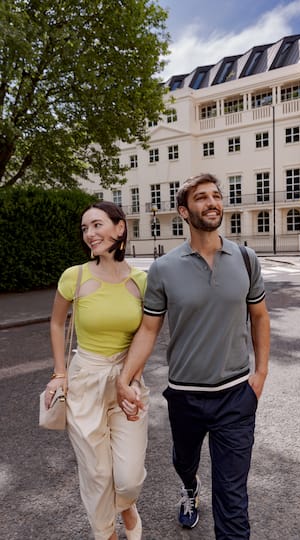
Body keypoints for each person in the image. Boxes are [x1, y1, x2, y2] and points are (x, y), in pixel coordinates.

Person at [117, 173, 271, 539]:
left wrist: (260, 375)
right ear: (184, 211)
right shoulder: (164, 268)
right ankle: (189, 487)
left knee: (233, 498)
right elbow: (149, 329)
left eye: (216, 196)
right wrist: (125, 378)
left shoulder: (246, 259)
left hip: (236, 396)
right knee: (183, 460)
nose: (212, 202)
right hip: (185, 395)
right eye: (201, 197)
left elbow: (260, 317)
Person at [44, 201, 148, 540]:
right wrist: (60, 373)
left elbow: (147, 335)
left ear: (120, 228)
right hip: (85, 379)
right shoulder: (75, 277)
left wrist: (129, 378)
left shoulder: (141, 281)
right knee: (97, 472)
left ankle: (126, 504)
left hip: (127, 380)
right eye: (85, 228)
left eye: (97, 225)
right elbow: (58, 322)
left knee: (128, 477)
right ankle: (106, 533)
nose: (90, 234)